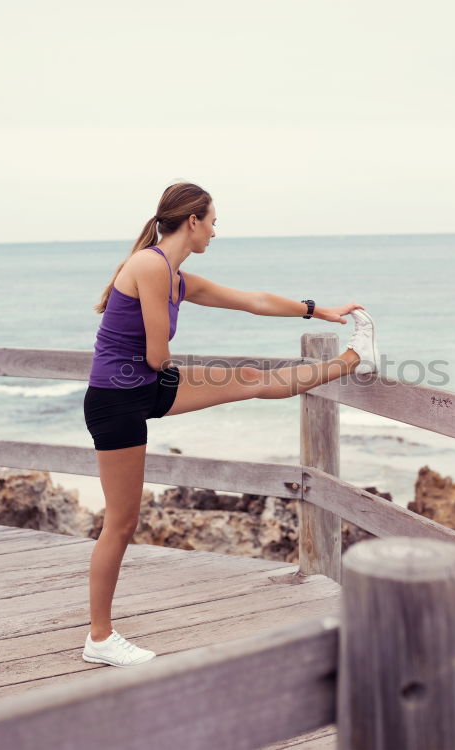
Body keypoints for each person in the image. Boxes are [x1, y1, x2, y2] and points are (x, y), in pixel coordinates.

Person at [81, 182, 379, 667]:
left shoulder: (177, 277)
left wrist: (316, 309)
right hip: (118, 399)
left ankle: (353, 358)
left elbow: (253, 301)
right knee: (121, 522)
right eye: (213, 222)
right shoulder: (151, 267)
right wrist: (186, 373)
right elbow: (157, 354)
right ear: (193, 220)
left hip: (141, 388)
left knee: (252, 381)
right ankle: (99, 637)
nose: (215, 232)